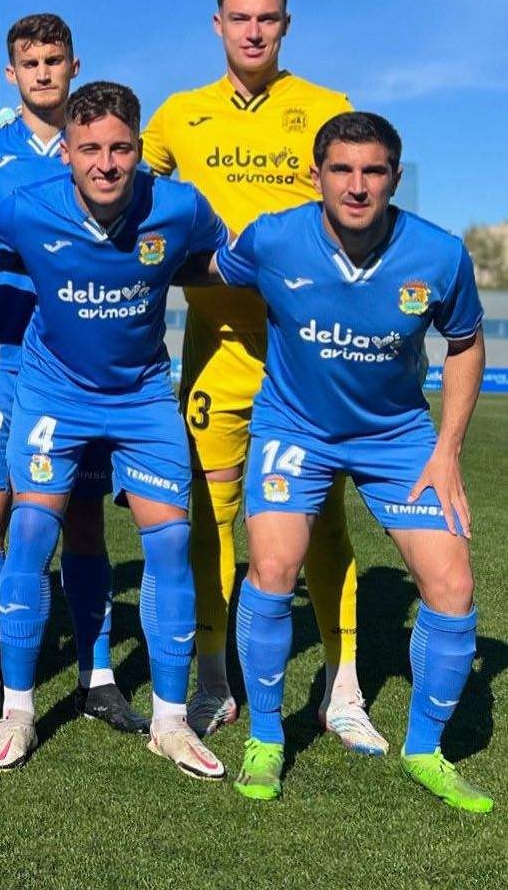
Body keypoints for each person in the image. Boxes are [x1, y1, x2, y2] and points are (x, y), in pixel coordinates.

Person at [0, 81, 227, 778]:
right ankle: (18, 706)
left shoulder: (179, 204)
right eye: (90, 149)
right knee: (31, 530)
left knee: (167, 539)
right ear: (66, 152)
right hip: (52, 394)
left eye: (120, 148)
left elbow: (219, 261)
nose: (105, 163)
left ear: (140, 150)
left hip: (138, 394)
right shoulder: (27, 210)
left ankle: (168, 720)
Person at [193, 112, 489, 811]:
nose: (357, 186)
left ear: (393, 175)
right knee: (271, 569)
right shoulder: (273, 237)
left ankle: (425, 750)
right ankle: (266, 739)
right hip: (294, 426)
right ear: (315, 173)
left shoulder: (438, 254)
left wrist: (446, 453)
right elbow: (207, 267)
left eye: (373, 170)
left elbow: (466, 342)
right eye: (343, 169)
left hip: (397, 438)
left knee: (451, 586)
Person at [141, 0, 381, 750]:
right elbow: (126, 199)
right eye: (239, 17)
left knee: (321, 518)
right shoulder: (179, 115)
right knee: (205, 516)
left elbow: (357, 208)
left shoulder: (326, 108)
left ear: (286, 24)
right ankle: (213, 677)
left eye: (267, 18)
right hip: (217, 347)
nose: (252, 31)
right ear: (216, 23)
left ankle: (342, 689)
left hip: (310, 352)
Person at [0, 13, 144, 735]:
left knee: (80, 516)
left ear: (74, 64)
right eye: (30, 61)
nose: (43, 72)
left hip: (81, 362)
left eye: (54, 59)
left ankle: (96, 673)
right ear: (9, 72)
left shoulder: (100, 150)